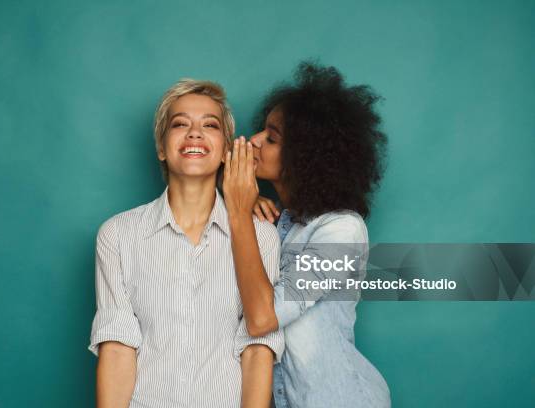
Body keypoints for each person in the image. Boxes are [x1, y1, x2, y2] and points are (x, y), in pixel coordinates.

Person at [87, 78, 284, 408]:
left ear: (225, 151)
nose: (195, 133)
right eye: (180, 124)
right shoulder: (118, 234)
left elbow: (257, 350)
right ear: (161, 148)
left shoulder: (261, 236)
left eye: (210, 125)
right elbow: (118, 347)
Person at [222, 62, 391, 408]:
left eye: (271, 138)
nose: (253, 141)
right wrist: (246, 206)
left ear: (305, 155)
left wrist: (239, 210)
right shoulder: (279, 224)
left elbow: (263, 319)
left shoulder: (343, 230)